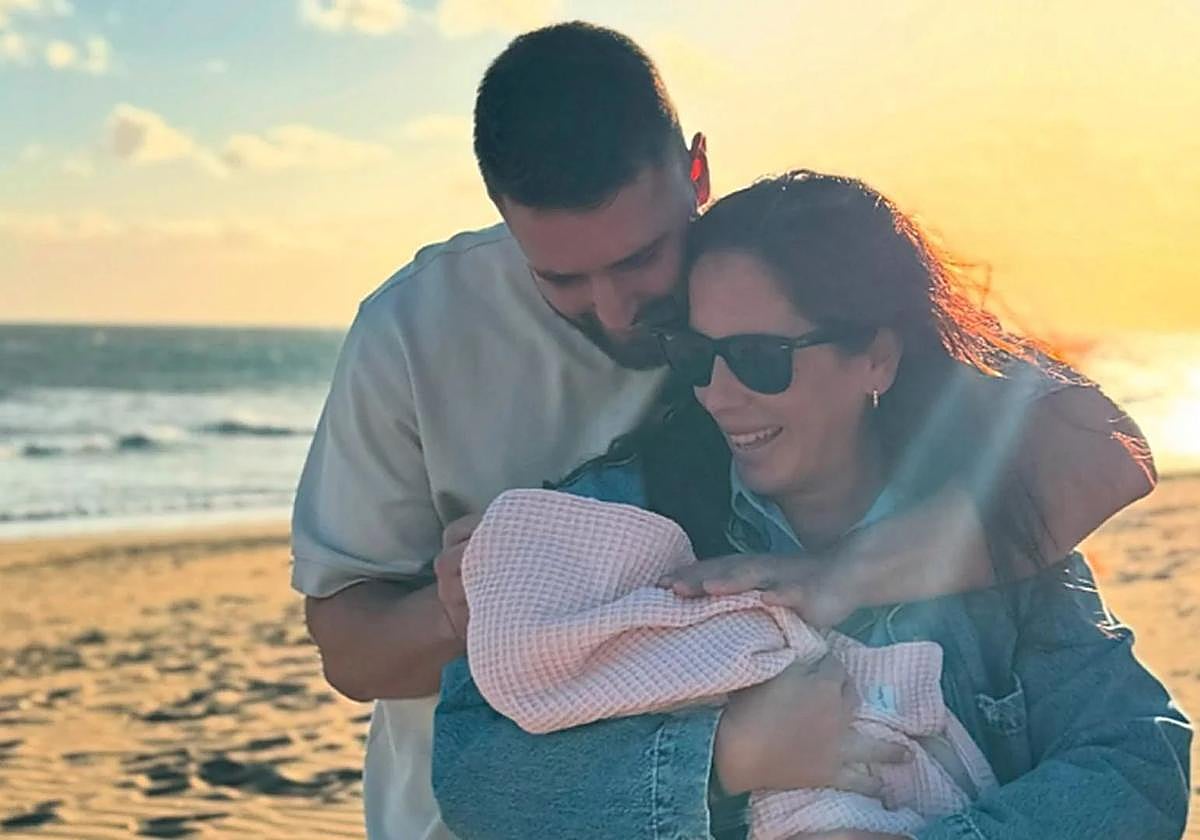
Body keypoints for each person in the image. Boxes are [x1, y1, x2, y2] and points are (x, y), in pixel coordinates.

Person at [293, 23, 1158, 840]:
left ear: (696, 176)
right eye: (562, 279)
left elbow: (1107, 451)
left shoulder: (776, 269)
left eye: (641, 259)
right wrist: (498, 598)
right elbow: (358, 661)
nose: (617, 310)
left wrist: (842, 575)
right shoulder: (415, 332)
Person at [431, 171, 1192, 840]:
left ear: (877, 357)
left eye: (760, 359)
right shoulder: (628, 518)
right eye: (695, 356)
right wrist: (726, 758)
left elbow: (1138, 759)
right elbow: (474, 774)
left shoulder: (990, 524)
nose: (718, 395)